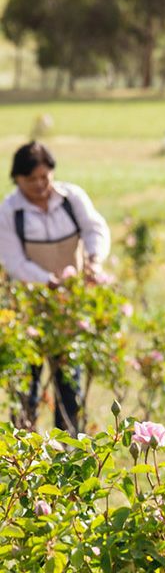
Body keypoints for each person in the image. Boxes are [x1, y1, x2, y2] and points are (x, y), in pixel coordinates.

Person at [0, 141, 111, 433]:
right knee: (27, 385)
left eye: (44, 177)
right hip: (28, 309)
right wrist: (49, 281)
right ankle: (26, 454)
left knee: (68, 385)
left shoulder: (71, 198)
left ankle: (68, 446)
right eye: (31, 179)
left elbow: (94, 229)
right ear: (17, 179)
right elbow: (13, 262)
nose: (39, 184)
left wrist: (94, 261)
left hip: (68, 308)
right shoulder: (10, 211)